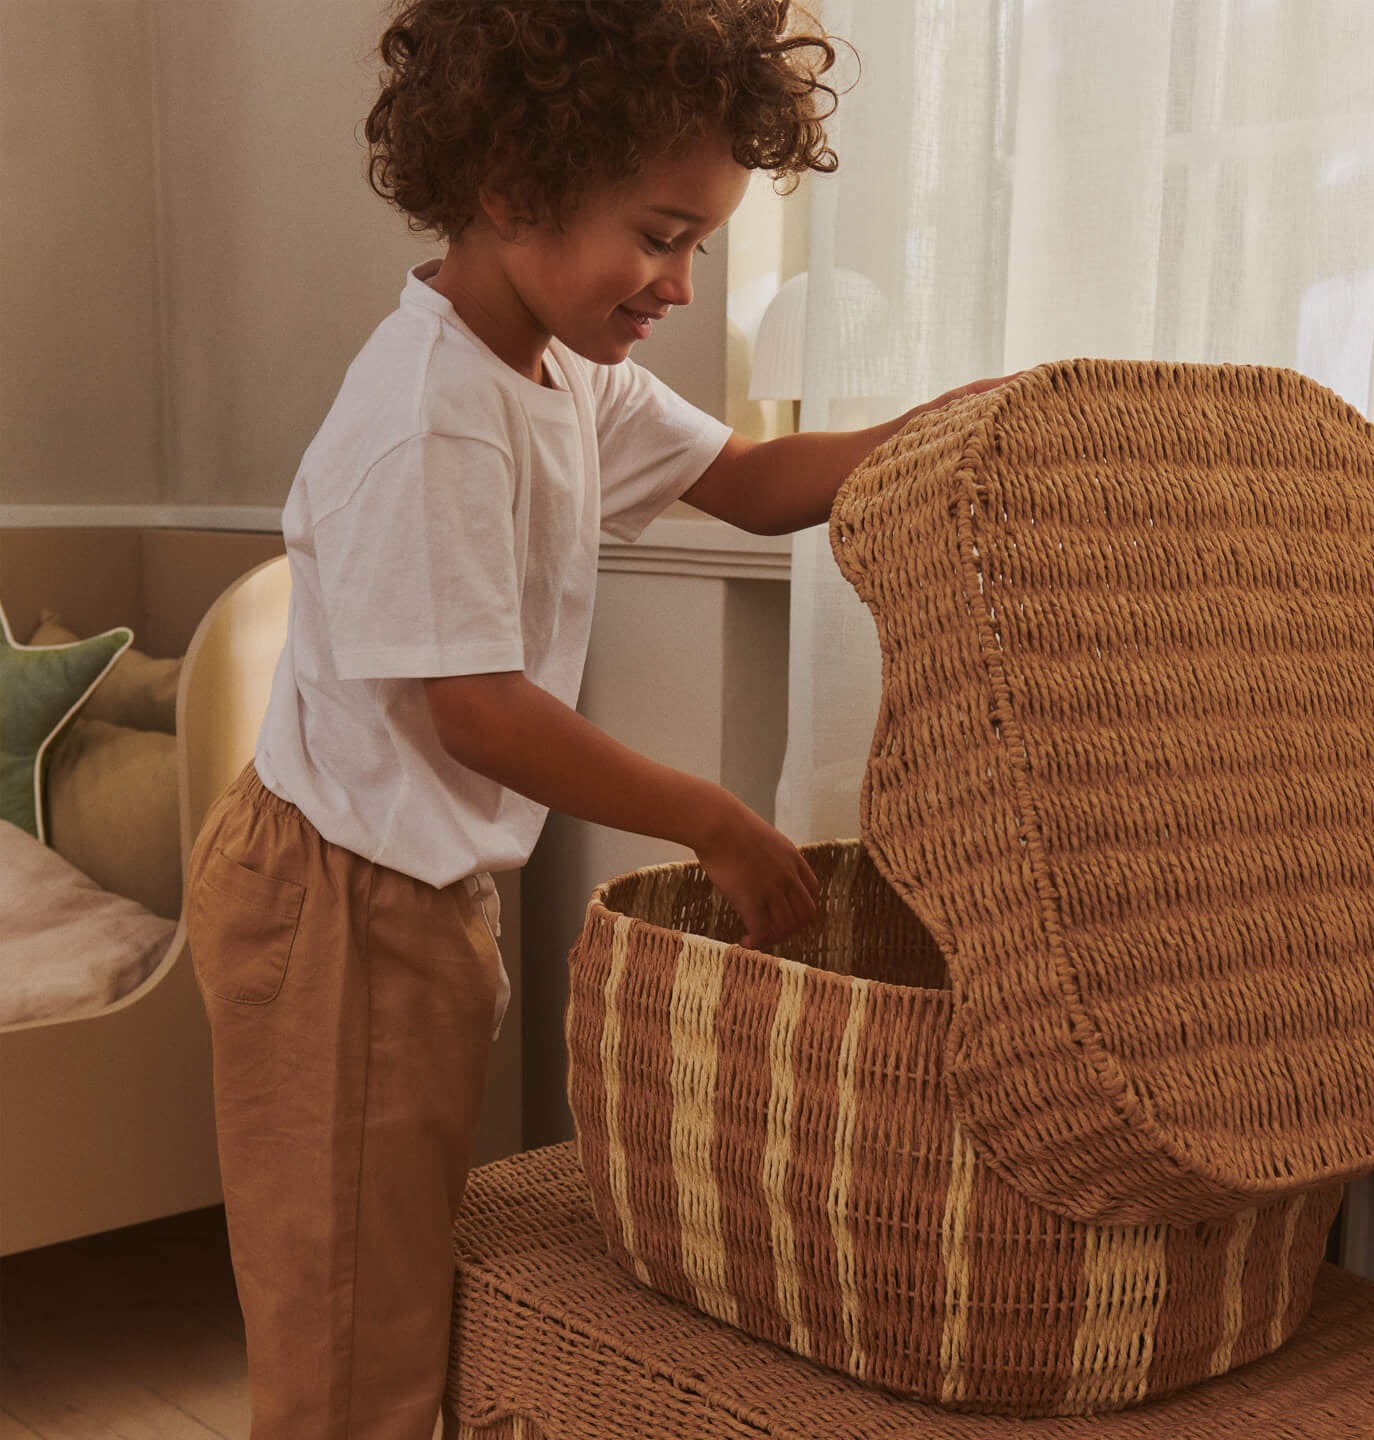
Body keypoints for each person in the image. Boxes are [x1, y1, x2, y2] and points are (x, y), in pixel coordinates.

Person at [183, 2, 1015, 1435]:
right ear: (514, 187)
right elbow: (478, 715)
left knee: (388, 1280)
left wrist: (948, 426)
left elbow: (752, 484)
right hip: (337, 901)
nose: (681, 285)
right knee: (347, 1330)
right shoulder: (430, 413)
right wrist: (713, 818)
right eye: (662, 236)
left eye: (701, 246)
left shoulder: (563, 373)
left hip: (403, 888)